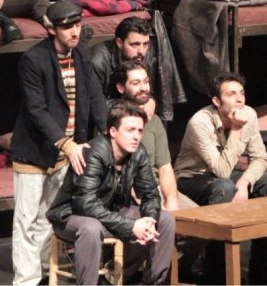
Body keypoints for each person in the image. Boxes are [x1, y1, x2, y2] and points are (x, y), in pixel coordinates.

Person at [9, 0, 108, 286]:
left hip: (68, 151)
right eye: (67, 27)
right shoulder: (33, 59)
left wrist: (106, 133)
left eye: (77, 25)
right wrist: (65, 143)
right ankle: (26, 281)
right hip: (35, 151)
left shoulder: (82, 53)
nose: (75, 32)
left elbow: (94, 95)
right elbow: (36, 109)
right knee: (27, 219)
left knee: (48, 216)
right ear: (52, 29)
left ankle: (42, 271)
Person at [46, 101, 175, 285]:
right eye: (130, 130)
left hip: (111, 212)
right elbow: (85, 204)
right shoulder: (93, 152)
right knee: (91, 228)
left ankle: (155, 282)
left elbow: (151, 194)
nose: (136, 136)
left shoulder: (138, 153)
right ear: (113, 132)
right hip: (71, 215)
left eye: (140, 131)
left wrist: (149, 220)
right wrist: (131, 226)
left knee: (166, 219)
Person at [173, 72, 267, 284]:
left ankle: (263, 276)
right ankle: (218, 276)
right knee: (224, 188)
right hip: (191, 178)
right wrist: (236, 130)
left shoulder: (249, 114)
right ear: (216, 101)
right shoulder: (200, 122)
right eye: (231, 94)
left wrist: (245, 181)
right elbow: (221, 171)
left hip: (226, 175)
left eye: (241, 93)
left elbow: (261, 158)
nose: (239, 99)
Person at [113, 60, 205, 282]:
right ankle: (123, 275)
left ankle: (173, 270)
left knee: (202, 224)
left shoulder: (154, 121)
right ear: (121, 87)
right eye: (136, 83)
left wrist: (171, 201)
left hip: (157, 188)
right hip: (130, 193)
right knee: (154, 225)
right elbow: (119, 171)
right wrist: (153, 204)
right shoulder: (114, 119)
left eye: (145, 82)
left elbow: (165, 167)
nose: (143, 87)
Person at [91, 16, 156, 100]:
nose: (141, 51)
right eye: (135, 44)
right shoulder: (98, 62)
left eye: (145, 44)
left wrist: (150, 101)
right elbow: (94, 103)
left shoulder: (145, 53)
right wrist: (128, 105)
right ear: (119, 43)